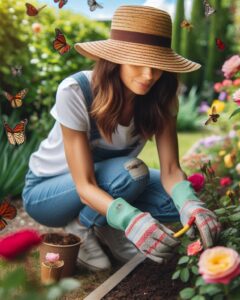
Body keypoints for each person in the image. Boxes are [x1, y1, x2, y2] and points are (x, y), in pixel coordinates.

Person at [22, 5, 220, 271]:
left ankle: (104, 226)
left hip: (109, 181)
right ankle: (81, 226)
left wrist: (191, 204)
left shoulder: (162, 97)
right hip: (48, 193)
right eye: (138, 62)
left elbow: (171, 171)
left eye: (157, 65)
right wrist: (131, 219)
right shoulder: (76, 91)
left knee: (174, 204)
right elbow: (85, 185)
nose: (149, 75)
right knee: (132, 173)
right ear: (116, 58)